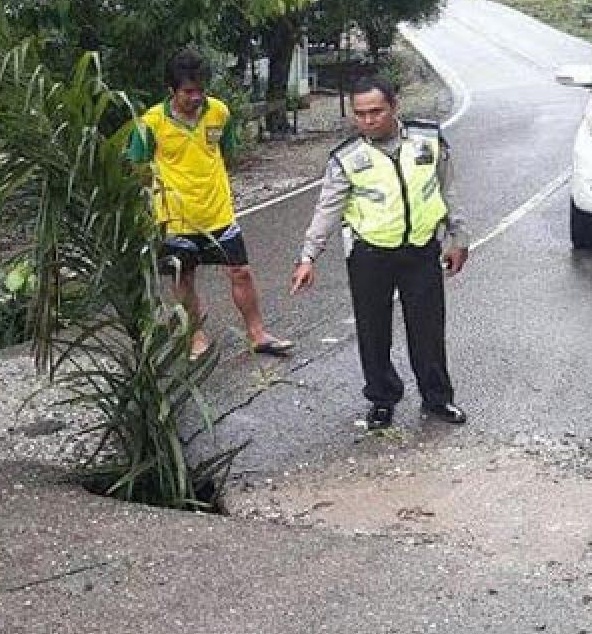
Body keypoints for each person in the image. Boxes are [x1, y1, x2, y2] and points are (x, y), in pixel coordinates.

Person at [290, 75, 470, 431]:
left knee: (428, 330)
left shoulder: (428, 140)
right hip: (370, 256)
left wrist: (458, 237)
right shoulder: (347, 158)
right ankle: (382, 400)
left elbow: (447, 191)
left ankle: (437, 398)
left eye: (376, 111)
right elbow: (327, 209)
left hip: (420, 251)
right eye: (360, 114)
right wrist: (308, 257)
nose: (369, 120)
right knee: (373, 332)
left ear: (394, 107)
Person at [127, 47, 293, 360]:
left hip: (218, 211)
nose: (196, 98)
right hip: (174, 218)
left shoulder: (219, 112)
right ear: (171, 90)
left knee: (240, 271)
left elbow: (226, 151)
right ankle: (196, 336)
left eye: (201, 90)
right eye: (189, 91)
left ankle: (258, 334)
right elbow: (137, 167)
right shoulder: (150, 123)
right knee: (183, 278)